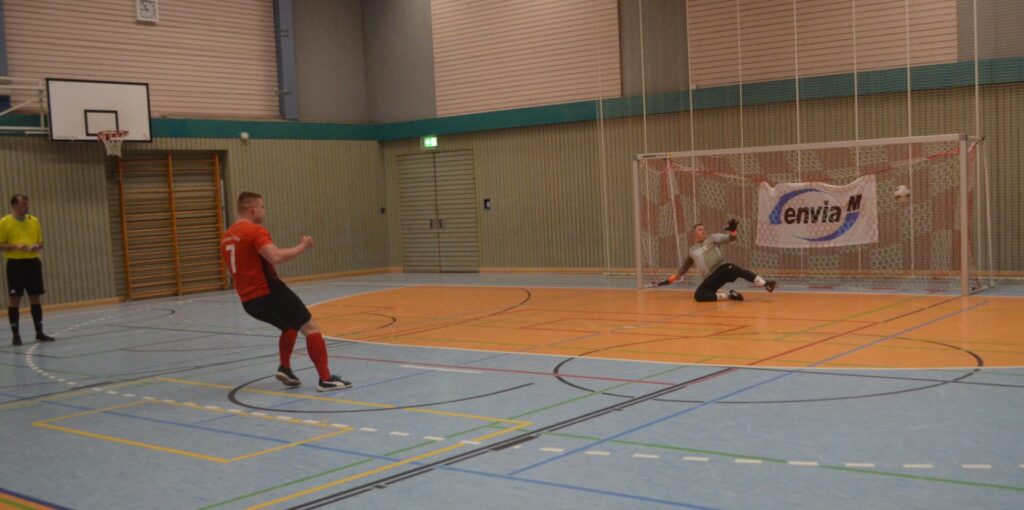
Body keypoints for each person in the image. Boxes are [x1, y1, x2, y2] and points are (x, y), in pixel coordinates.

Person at [220, 191, 351, 391]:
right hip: (269, 291)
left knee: (289, 325)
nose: (264, 211)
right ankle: (325, 379)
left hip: (248, 301)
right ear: (252, 209)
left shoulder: (226, 236)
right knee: (311, 328)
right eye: (262, 207)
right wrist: (303, 246)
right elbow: (275, 257)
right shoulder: (255, 231)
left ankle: (285, 368)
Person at [659, 219, 776, 302]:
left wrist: (733, 231)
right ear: (694, 233)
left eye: (704, 229)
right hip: (710, 278)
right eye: (700, 229)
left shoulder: (712, 238)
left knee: (737, 270)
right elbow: (685, 266)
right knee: (699, 296)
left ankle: (766, 284)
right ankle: (729, 295)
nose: (703, 231)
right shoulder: (692, 250)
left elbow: (731, 238)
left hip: (722, 269)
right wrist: (674, 277)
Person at [0, 194, 55, 345]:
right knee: (15, 298)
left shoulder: (34, 221)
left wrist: (36, 246)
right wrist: (16, 246)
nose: (26, 207)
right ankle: (16, 335)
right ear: (14, 205)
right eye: (23, 204)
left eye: (26, 204)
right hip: (15, 264)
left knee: (35, 297)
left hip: (33, 262)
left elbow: (40, 242)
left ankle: (39, 332)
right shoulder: (5, 222)